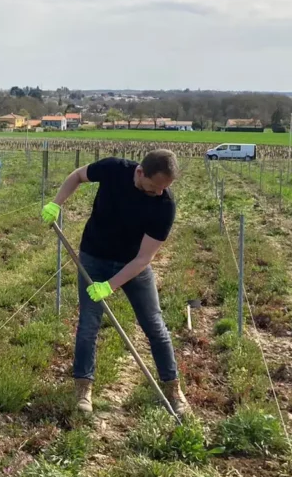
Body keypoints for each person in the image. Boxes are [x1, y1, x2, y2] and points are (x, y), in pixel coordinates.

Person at [41, 149, 188, 416]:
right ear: (141, 172)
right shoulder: (113, 169)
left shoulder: (165, 205)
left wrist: (110, 285)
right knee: (88, 324)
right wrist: (56, 203)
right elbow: (77, 176)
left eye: (164, 188)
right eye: (154, 187)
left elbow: (144, 258)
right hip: (94, 258)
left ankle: (173, 389)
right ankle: (83, 388)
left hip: (132, 266)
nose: (158, 193)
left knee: (155, 326)